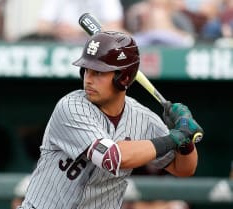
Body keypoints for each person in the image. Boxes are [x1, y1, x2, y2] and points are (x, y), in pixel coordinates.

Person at [17, 31, 204, 209]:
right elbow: (113, 157)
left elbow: (184, 169)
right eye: (86, 71)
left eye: (98, 72)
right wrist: (174, 138)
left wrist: (185, 141)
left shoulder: (143, 118)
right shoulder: (71, 107)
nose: (88, 80)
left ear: (123, 78)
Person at [36, 0, 126, 44]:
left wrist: (79, 31)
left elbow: (116, 29)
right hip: (61, 45)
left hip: (97, 47)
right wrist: (57, 30)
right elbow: (41, 26)